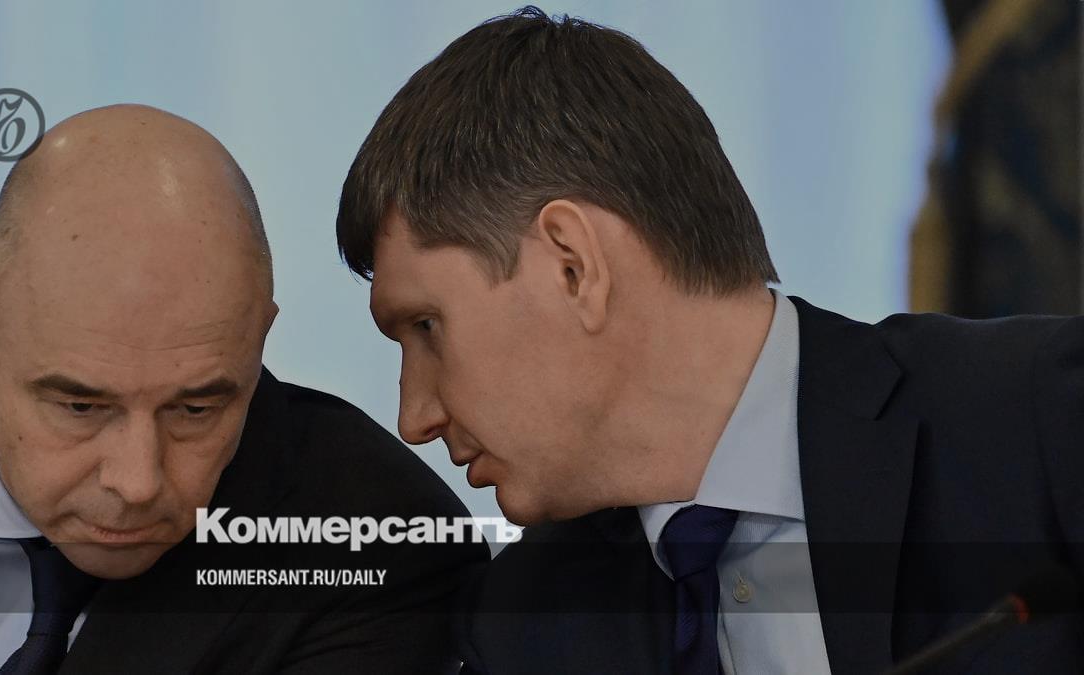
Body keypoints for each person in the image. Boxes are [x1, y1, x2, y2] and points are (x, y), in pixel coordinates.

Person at [335, 7, 1084, 674]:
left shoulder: (1043, 422)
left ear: (573, 265)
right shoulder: (523, 624)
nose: (414, 417)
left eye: (426, 327)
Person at [0, 104, 487, 674]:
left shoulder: (379, 544)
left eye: (195, 409)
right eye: (81, 406)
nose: (137, 482)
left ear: (258, 341)